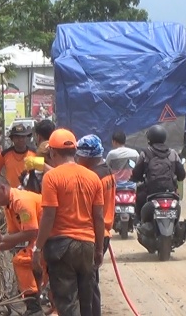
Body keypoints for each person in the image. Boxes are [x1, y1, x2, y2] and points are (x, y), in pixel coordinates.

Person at [31, 128, 105, 316]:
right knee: (86, 303)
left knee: (67, 304)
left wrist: (37, 248)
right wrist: (98, 249)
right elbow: (99, 217)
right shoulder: (93, 177)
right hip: (87, 246)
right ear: (74, 151)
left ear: (53, 153)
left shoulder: (52, 177)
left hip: (61, 248)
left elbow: (49, 216)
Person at [0, 174, 45, 316]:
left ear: (3, 188)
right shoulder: (9, 206)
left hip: (49, 237)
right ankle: (35, 298)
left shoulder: (20, 201)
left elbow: (32, 232)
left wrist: (2, 237)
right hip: (39, 237)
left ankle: (33, 304)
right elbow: (15, 237)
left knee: (21, 261)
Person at [75, 134, 116, 316]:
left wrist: (98, 247)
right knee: (90, 283)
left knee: (88, 286)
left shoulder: (94, 177)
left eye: (79, 157)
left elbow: (97, 215)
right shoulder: (107, 171)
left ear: (88, 156)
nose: (77, 160)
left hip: (94, 235)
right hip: (103, 233)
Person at [130, 124, 186, 223]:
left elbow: (136, 174)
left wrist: (134, 178)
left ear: (149, 139)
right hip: (170, 192)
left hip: (150, 192)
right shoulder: (173, 153)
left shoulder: (145, 154)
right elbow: (181, 175)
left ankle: (138, 222)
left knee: (139, 197)